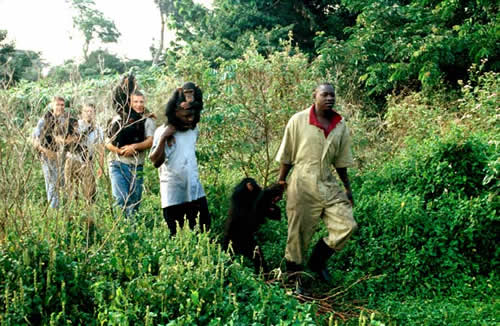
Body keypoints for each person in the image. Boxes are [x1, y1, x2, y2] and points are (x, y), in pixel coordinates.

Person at [276, 82, 358, 283]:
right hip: (301, 182)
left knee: (347, 224)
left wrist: (347, 188)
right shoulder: (298, 120)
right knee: (297, 234)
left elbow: (341, 162)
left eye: (332, 95)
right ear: (315, 96)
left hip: (327, 182)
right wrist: (280, 183)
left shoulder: (340, 125)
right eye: (325, 95)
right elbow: (286, 156)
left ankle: (317, 261)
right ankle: (294, 279)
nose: (329, 98)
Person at [149, 85, 210, 236]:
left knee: (204, 229)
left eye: (193, 116)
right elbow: (156, 161)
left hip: (194, 189)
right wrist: (163, 139)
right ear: (176, 113)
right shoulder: (163, 132)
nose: (191, 120)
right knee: (177, 234)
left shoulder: (193, 129)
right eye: (186, 116)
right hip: (173, 193)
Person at [106, 91, 155, 217]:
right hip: (117, 163)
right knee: (121, 199)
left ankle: (132, 230)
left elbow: (151, 140)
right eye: (135, 102)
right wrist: (120, 151)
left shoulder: (147, 120)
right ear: (129, 103)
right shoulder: (118, 119)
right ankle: (121, 230)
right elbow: (107, 142)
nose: (139, 105)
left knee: (134, 202)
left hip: (136, 165)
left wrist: (134, 147)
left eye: (141, 102)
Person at [32, 96, 71, 209]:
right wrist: (46, 151)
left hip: (64, 157)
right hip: (48, 157)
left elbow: (74, 137)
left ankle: (66, 213)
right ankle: (54, 213)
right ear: (52, 105)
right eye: (57, 104)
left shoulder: (67, 119)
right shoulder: (44, 120)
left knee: (64, 185)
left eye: (62, 105)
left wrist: (65, 142)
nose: (60, 107)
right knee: (52, 186)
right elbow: (35, 140)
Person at [64, 103, 105, 203]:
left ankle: (89, 212)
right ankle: (71, 212)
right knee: (70, 190)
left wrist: (100, 167)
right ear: (82, 113)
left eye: (91, 111)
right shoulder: (74, 125)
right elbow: (64, 140)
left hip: (87, 161)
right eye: (86, 111)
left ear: (95, 113)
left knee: (90, 191)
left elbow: (101, 149)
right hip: (72, 159)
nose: (89, 114)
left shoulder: (98, 130)